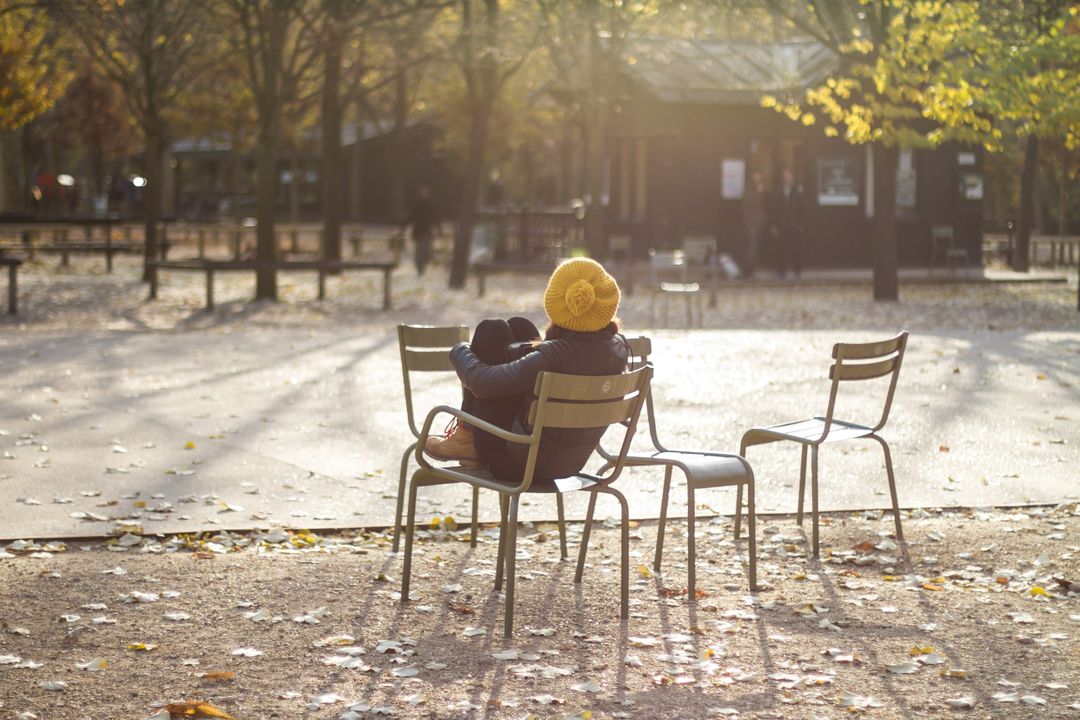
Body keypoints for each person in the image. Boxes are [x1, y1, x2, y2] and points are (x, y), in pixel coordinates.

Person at [425, 258, 628, 489]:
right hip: (571, 463)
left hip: (516, 462)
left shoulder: (553, 356)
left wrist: (460, 349)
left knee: (491, 330)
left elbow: (481, 383)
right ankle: (466, 438)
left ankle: (466, 437)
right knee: (520, 326)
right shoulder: (619, 348)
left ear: (556, 304)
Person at [770, 167, 806, 278]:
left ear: (792, 177)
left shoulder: (798, 190)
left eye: (788, 175)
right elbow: (774, 209)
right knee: (782, 250)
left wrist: (802, 225)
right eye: (784, 176)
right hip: (782, 225)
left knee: (796, 249)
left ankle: (797, 271)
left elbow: (803, 208)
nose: (786, 178)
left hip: (795, 226)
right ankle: (781, 271)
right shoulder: (778, 190)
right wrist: (774, 225)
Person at [406, 184, 441, 276]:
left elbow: (436, 218)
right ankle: (420, 270)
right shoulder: (417, 205)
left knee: (426, 252)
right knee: (419, 253)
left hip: (427, 231)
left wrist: (439, 230)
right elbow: (411, 217)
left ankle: (422, 268)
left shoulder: (430, 206)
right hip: (419, 231)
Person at [741, 170, 768, 278]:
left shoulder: (759, 188)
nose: (758, 177)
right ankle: (748, 270)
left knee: (755, 246)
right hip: (751, 223)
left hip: (759, 222)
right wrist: (760, 193)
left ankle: (752, 268)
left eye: (759, 175)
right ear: (753, 176)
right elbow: (752, 203)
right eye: (756, 175)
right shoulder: (749, 189)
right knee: (752, 246)